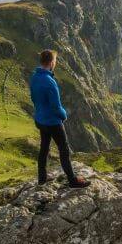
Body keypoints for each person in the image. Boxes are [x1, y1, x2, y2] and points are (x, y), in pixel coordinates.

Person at [29, 49, 90, 188]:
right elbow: (56, 107)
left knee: (44, 148)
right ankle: (73, 180)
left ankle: (42, 179)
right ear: (51, 62)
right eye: (55, 61)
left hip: (40, 120)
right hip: (52, 122)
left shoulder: (35, 77)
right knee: (64, 149)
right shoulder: (50, 82)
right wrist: (64, 116)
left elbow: (33, 97)